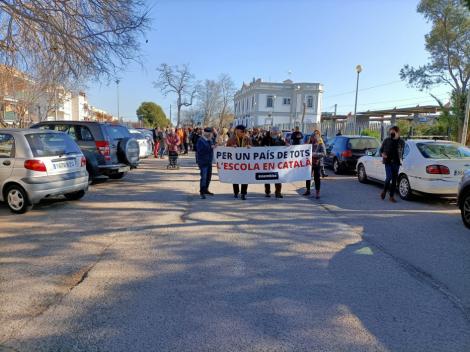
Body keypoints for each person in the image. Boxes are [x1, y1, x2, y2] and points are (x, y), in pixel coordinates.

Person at [379, 126, 405, 203]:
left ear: (397, 132)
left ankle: (391, 196)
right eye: (391, 132)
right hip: (388, 161)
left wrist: (397, 139)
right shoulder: (386, 140)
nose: (391, 133)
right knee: (389, 176)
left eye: (393, 132)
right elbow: (381, 150)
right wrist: (382, 154)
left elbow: (402, 151)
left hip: (396, 162)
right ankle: (384, 191)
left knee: (394, 180)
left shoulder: (401, 141)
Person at [226, 124, 252, 200]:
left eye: (244, 131)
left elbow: (253, 150)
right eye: (241, 131)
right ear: (237, 131)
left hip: (245, 163)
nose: (243, 133)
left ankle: (243, 193)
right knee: (235, 177)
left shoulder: (248, 139)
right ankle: (236, 192)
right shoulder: (231, 139)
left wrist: (250, 147)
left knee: (245, 178)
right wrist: (231, 148)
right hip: (235, 163)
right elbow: (226, 149)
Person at [261, 127, 286, 198]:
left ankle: (278, 192)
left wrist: (287, 147)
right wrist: (263, 147)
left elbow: (284, 147)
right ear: (271, 132)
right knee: (267, 177)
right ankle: (267, 192)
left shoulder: (280, 139)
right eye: (274, 132)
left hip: (278, 163)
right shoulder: (265, 139)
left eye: (277, 132)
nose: (276, 133)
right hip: (267, 162)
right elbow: (259, 148)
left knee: (278, 177)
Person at [303, 130, 326, 199]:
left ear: (317, 137)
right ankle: (308, 190)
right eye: (312, 138)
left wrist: (315, 154)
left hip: (317, 163)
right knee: (307, 177)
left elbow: (324, 153)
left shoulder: (321, 143)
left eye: (314, 138)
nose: (313, 139)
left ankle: (317, 192)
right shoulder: (310, 142)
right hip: (309, 163)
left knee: (317, 178)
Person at [196, 128, 215, 199]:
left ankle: (206, 189)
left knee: (209, 177)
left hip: (209, 161)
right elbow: (200, 151)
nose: (212, 135)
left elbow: (212, 147)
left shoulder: (210, 140)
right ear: (207, 133)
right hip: (203, 161)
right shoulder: (200, 140)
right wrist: (210, 147)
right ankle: (202, 192)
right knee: (204, 177)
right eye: (211, 134)